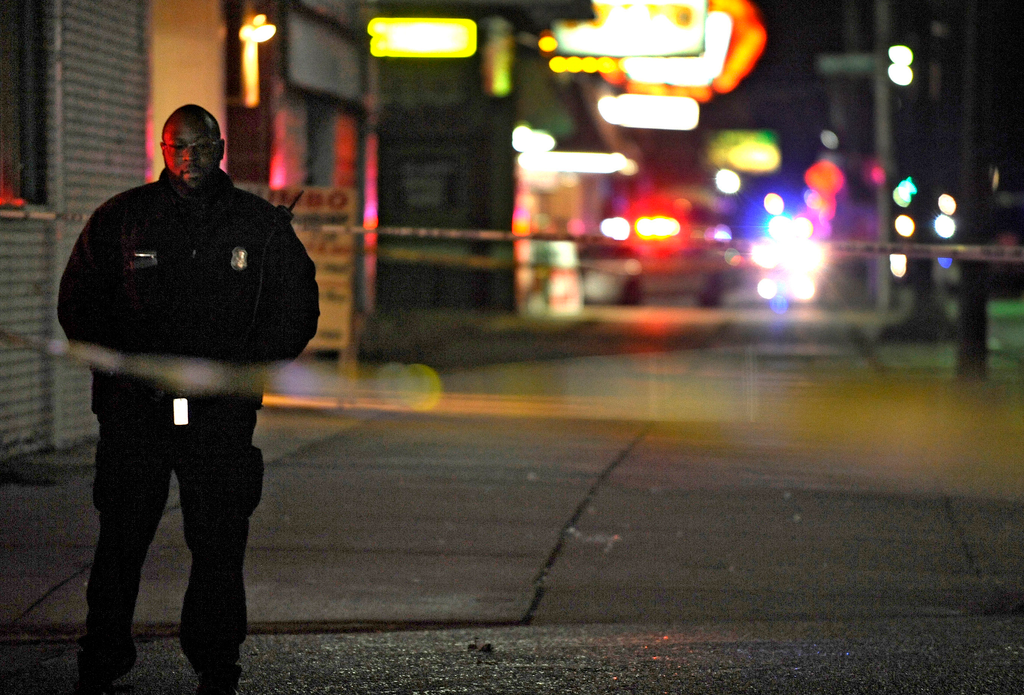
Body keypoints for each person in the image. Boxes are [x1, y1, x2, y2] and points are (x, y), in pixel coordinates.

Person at [58, 104, 319, 695]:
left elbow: (297, 307)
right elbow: (79, 305)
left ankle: (216, 662)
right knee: (122, 537)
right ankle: (102, 656)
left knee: (220, 544)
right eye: (178, 147)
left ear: (221, 147)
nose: (189, 158)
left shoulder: (259, 226)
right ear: (162, 149)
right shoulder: (122, 220)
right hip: (135, 414)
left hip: (219, 416)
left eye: (200, 146)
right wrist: (126, 374)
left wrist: (241, 374)